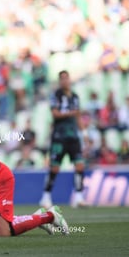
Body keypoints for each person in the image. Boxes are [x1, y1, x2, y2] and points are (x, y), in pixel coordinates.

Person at [39, 70, 87, 209]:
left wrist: (85, 134)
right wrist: (70, 113)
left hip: (74, 137)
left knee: (80, 165)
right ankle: (45, 196)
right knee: (55, 168)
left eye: (67, 78)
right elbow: (55, 114)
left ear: (70, 79)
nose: (65, 81)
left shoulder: (75, 97)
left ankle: (78, 196)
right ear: (60, 81)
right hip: (59, 137)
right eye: (62, 79)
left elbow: (78, 117)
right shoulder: (56, 95)